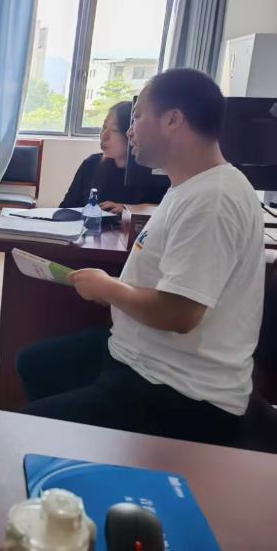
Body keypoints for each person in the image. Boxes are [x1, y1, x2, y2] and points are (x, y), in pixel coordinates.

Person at [17, 69, 265, 447]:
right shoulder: (189, 187)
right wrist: (115, 289)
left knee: (24, 432)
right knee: (36, 363)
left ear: (173, 120)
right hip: (140, 356)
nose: (130, 131)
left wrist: (108, 288)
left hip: (177, 390)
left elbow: (179, 314)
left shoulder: (213, 199)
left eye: (136, 117)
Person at [60, 101, 167, 214]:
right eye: (104, 127)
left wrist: (128, 211)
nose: (104, 135)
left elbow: (163, 213)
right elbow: (66, 208)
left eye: (115, 130)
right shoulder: (91, 163)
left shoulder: (154, 173)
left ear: (132, 133)